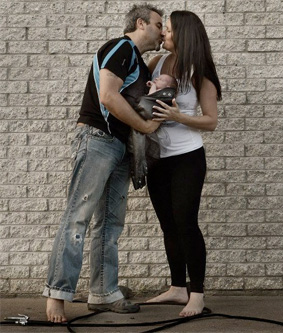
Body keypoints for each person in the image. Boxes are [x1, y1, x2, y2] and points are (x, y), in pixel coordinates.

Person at [43, 4, 163, 323]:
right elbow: (108, 96)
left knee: (110, 223)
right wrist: (145, 126)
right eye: (158, 24)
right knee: (77, 217)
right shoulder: (120, 47)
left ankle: (104, 292)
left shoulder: (139, 63)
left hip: (120, 147)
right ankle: (57, 295)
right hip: (98, 139)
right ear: (140, 23)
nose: (163, 32)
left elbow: (138, 102)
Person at [144, 10, 222, 317]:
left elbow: (211, 121)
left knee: (186, 223)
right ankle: (177, 288)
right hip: (157, 158)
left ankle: (197, 293)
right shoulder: (157, 63)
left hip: (187, 158)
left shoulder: (199, 72)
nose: (164, 33)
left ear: (184, 35)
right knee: (168, 225)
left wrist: (178, 116)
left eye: (170, 30)